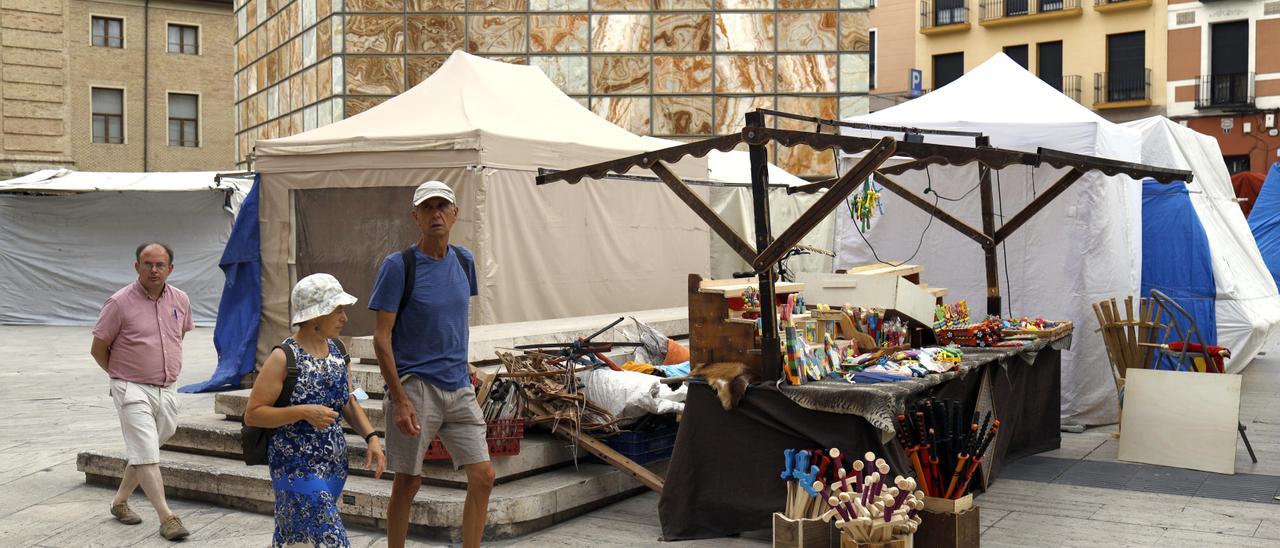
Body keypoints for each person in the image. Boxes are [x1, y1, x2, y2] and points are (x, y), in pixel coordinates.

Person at [369, 180, 494, 548]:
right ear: (415, 216)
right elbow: (381, 337)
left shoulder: (463, 260)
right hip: (415, 385)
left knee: (484, 475)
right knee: (408, 482)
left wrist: (464, 364)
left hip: (458, 385)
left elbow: (457, 318)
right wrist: (400, 399)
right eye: (428, 208)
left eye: (443, 206)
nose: (436, 214)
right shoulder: (399, 266)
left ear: (455, 213)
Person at [245, 273, 386, 548]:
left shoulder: (338, 350)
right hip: (293, 466)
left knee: (298, 538)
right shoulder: (283, 357)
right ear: (315, 316)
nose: (344, 317)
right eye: (338, 310)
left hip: (333, 464)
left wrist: (371, 437)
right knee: (331, 539)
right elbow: (253, 413)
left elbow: (347, 400)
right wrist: (303, 411)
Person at [90, 242, 193, 541]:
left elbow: (179, 335)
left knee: (147, 447)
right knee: (147, 451)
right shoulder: (119, 302)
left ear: (170, 269)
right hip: (130, 385)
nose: (154, 270)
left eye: (160, 265)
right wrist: (120, 377)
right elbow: (98, 348)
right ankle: (167, 517)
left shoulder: (181, 299)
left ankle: (119, 502)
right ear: (136, 266)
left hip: (167, 387)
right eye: (147, 264)